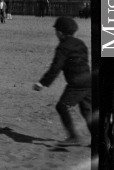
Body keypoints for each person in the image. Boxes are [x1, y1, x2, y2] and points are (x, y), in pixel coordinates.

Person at [32, 16, 93, 146]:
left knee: (61, 106)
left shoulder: (62, 47)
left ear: (60, 32)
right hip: (89, 80)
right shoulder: (80, 43)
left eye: (56, 31)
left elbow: (56, 67)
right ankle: (98, 140)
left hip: (76, 82)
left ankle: (73, 136)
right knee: (87, 110)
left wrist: (42, 83)